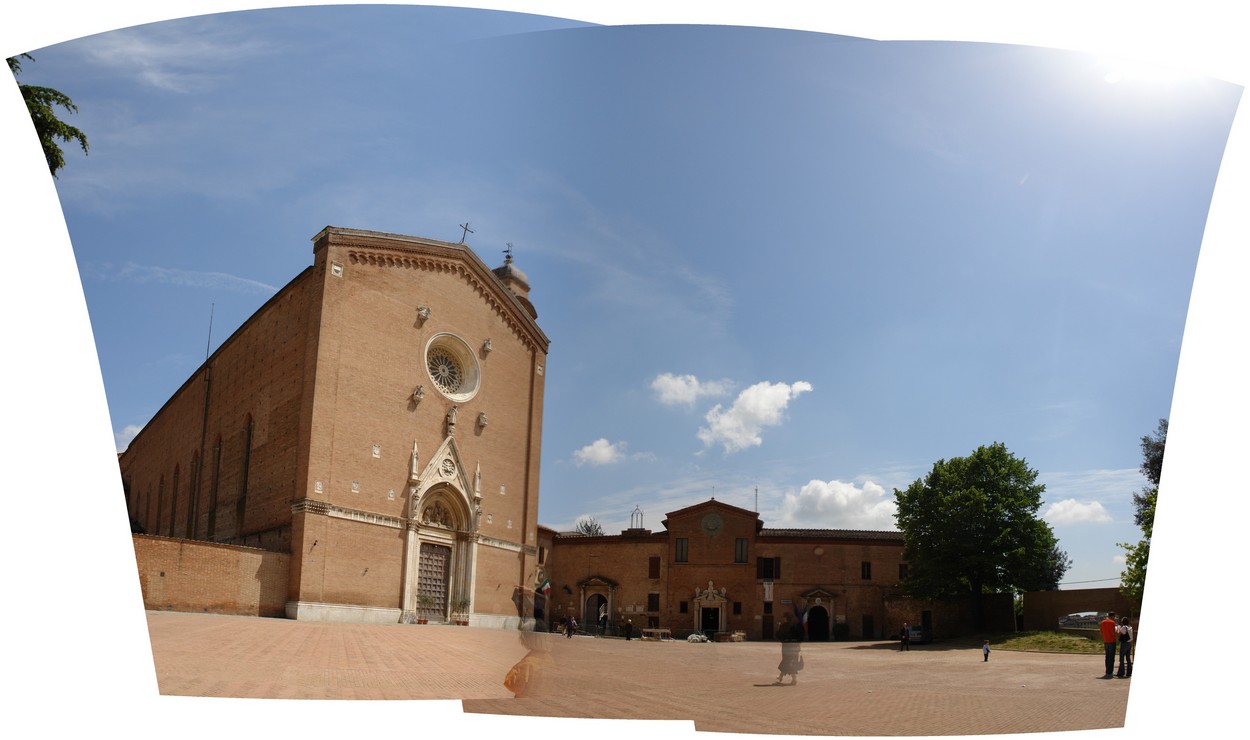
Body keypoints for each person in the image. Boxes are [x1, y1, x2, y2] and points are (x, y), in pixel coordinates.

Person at [776, 612, 803, 685]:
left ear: (785, 618)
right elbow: (799, 636)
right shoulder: (795, 626)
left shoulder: (783, 626)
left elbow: (778, 636)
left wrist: (778, 628)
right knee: (792, 661)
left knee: (786, 661)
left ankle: (793, 679)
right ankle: (782, 677)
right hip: (794, 646)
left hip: (786, 646)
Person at [1099, 611, 1119, 678]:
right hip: (1112, 641)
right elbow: (1113, 633)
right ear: (1112, 616)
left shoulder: (1102, 622)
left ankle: (1107, 671)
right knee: (1111, 657)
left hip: (1106, 641)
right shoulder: (1112, 623)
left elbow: (1101, 633)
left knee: (1107, 657)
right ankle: (1110, 672)